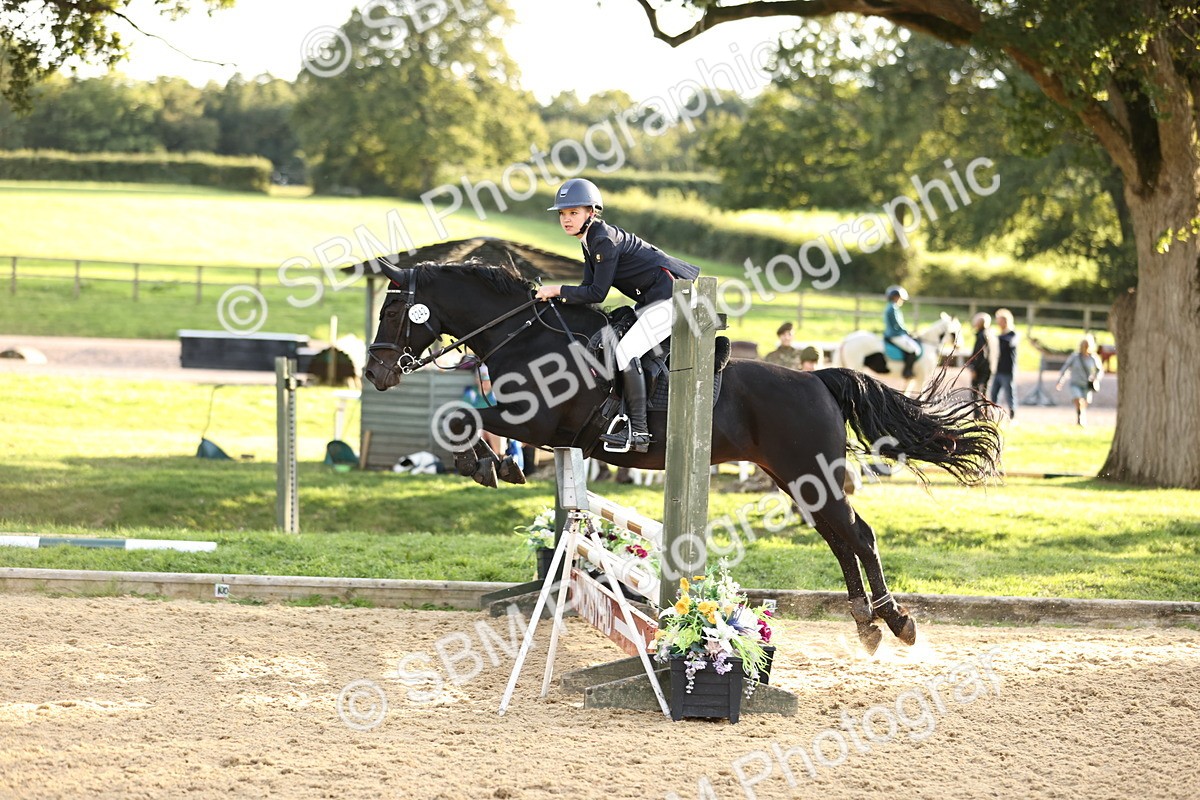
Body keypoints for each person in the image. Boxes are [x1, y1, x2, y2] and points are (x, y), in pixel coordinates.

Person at [534, 178, 699, 453]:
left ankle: (639, 431)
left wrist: (556, 290)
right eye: (563, 213)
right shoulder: (589, 240)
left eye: (574, 213)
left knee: (625, 352)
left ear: (591, 212)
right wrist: (559, 298)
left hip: (673, 298)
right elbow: (587, 289)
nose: (566, 219)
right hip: (654, 300)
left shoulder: (602, 240)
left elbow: (597, 293)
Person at [1055, 334, 1104, 426]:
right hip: (1075, 383)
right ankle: (1079, 417)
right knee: (1077, 399)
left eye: (1087, 346)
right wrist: (1060, 381)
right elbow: (1066, 368)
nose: (1085, 348)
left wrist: (1096, 378)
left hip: (1087, 384)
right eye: (1083, 346)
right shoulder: (1075, 357)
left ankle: (1081, 415)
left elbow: (1100, 370)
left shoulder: (1093, 358)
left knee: (1085, 402)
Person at [883, 285, 920, 378]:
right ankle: (907, 372)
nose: (902, 300)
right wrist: (907, 332)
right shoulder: (893, 308)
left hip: (894, 333)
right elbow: (897, 324)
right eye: (901, 298)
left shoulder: (891, 307)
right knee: (914, 350)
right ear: (896, 297)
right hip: (895, 335)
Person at [989, 308, 1018, 420]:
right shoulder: (999, 336)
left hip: (1007, 370)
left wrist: (995, 338)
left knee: (1009, 394)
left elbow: (1008, 343)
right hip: (997, 369)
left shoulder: (1012, 335)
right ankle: (993, 414)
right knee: (993, 394)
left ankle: (1012, 415)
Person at [967, 312, 997, 417]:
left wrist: (973, 368)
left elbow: (980, 354)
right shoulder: (990, 334)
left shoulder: (982, 335)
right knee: (984, 393)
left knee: (976, 393)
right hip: (989, 368)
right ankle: (985, 415)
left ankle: (978, 416)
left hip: (981, 369)